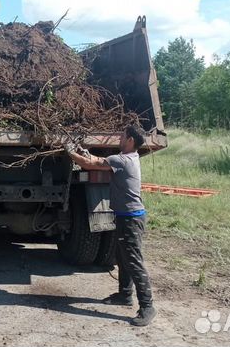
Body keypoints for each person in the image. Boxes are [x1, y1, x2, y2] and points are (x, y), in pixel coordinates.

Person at [64, 125, 156, 327]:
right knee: (122, 256)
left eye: (123, 136)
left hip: (131, 219)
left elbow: (90, 164)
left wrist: (69, 150)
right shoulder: (131, 158)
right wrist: (84, 151)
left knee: (133, 261)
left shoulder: (121, 160)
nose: (120, 139)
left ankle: (147, 307)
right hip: (127, 217)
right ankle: (124, 295)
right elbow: (94, 159)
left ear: (131, 140)